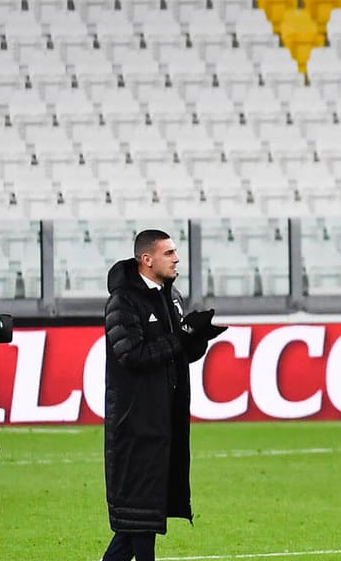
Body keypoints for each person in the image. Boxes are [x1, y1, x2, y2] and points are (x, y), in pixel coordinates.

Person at [103, 230, 228, 561]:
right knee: (141, 518)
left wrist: (198, 339)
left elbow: (178, 354)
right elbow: (132, 354)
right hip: (134, 424)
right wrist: (183, 336)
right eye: (169, 252)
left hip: (164, 421)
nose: (176, 258)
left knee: (139, 520)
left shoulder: (173, 297)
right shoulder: (123, 301)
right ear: (147, 259)